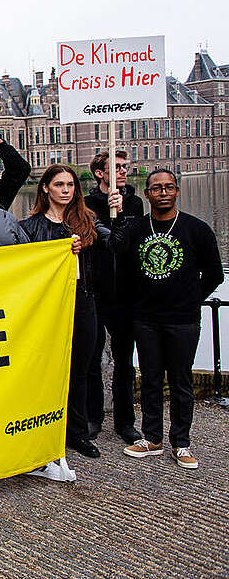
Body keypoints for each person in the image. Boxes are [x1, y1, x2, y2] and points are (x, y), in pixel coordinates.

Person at [19, 165, 124, 468]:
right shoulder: (30, 227)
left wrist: (117, 213)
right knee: (47, 370)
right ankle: (44, 429)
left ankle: (76, 432)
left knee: (81, 369)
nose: (66, 190)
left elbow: (116, 244)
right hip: (48, 307)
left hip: (83, 302)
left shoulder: (87, 221)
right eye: (59, 184)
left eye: (70, 185)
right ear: (45, 189)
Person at [117, 170, 223, 469]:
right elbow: (124, 273)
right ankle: (152, 438)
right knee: (150, 379)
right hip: (146, 318)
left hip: (183, 319)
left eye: (169, 187)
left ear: (177, 191)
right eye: (156, 188)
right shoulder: (137, 229)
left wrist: (192, 299)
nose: (163, 193)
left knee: (181, 381)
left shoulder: (196, 230)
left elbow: (215, 273)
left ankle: (181, 442)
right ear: (147, 194)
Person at [83, 150, 145, 443]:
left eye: (125, 166)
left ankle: (125, 422)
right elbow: (101, 242)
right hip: (96, 292)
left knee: (124, 363)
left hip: (126, 294)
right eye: (116, 167)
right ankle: (94, 418)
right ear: (99, 173)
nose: (123, 171)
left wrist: (120, 214)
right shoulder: (86, 205)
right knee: (93, 360)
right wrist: (110, 215)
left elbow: (130, 245)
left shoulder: (135, 203)